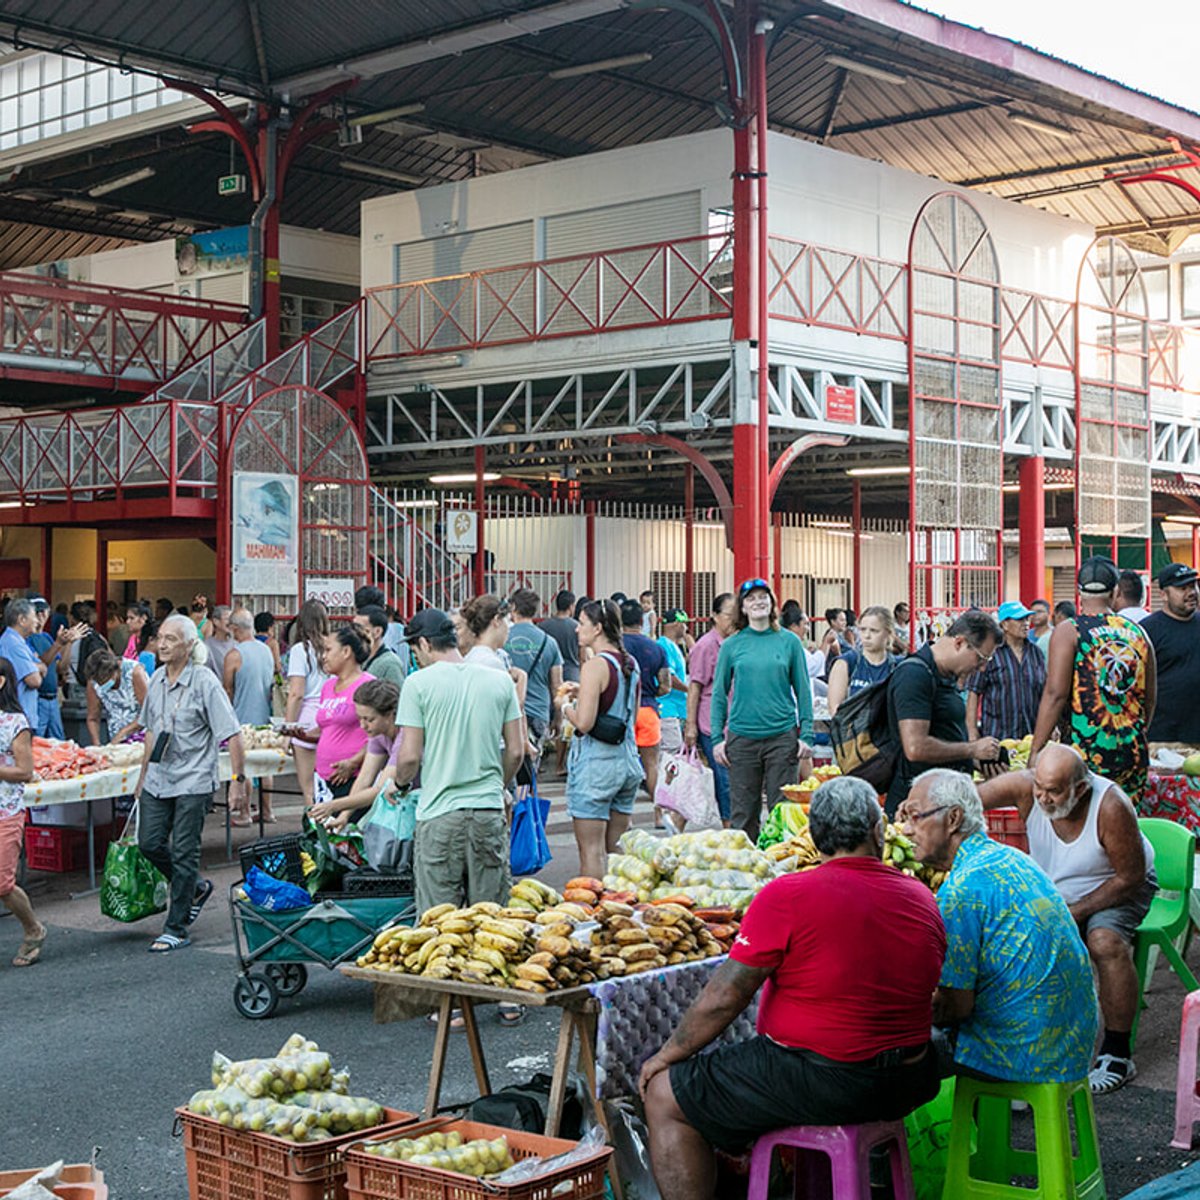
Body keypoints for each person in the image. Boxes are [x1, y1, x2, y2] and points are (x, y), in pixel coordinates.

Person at [638, 777, 944, 1200]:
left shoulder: (788, 895)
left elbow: (724, 997)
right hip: (911, 1076)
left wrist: (666, 1056)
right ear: (878, 832)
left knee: (665, 1097)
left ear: (816, 838)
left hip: (828, 1081)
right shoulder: (921, 896)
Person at [978, 744, 1157, 1093]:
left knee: (1104, 941)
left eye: (1054, 791)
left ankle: (1118, 1053)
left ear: (1080, 788)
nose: (1043, 798)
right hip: (1060, 889)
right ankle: (1028, 1049)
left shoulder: (1110, 805)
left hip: (1117, 885)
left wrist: (1076, 912)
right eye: (1039, 788)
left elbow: (1130, 877)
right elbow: (967, 798)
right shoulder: (1027, 787)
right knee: (1014, 940)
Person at [898, 769, 1096, 1085]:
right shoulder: (1011, 858)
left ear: (953, 819)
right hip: (1073, 1041)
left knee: (894, 1053)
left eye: (916, 817)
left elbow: (956, 1006)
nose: (906, 830)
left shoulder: (962, 889)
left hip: (1027, 1051)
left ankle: (950, 1131)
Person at [394, 608, 523, 916]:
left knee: (441, 926)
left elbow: (410, 756)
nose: (416, 657)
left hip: (439, 815)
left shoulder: (417, 684)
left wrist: (399, 783)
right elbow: (517, 751)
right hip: (488, 814)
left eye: (414, 650)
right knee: (491, 921)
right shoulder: (500, 682)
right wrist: (496, 783)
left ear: (424, 644)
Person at [135, 615, 246, 953]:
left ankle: (176, 926)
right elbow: (151, 731)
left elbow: (233, 734)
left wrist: (238, 781)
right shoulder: (155, 679)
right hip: (159, 777)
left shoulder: (205, 682)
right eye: (160, 638)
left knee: (185, 851)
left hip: (194, 780)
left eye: (171, 639)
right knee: (149, 843)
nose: (163, 644)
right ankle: (195, 887)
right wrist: (141, 777)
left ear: (188, 645)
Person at [1031, 556, 1156, 803]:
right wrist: (1132, 734)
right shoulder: (1138, 632)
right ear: (1116, 591)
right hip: (1132, 752)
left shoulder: (1070, 630)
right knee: (1126, 825)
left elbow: (1056, 694)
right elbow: (1149, 699)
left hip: (1085, 754)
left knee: (1085, 829)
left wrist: (1036, 749)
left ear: (1079, 592)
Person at [711, 580, 814, 842]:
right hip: (742, 739)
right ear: (743, 608)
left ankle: (781, 872)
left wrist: (807, 733)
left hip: (782, 737)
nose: (757, 602)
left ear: (772, 603)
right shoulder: (731, 646)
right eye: (750, 598)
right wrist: (716, 738)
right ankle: (745, 874)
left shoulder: (789, 642)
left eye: (763, 597)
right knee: (743, 813)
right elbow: (718, 694)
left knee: (782, 811)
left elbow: (803, 690)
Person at [885, 609, 1003, 817]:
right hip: (920, 809)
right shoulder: (915, 675)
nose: (982, 668)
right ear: (959, 643)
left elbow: (945, 735)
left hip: (944, 804)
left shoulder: (944, 676)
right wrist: (971, 750)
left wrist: (976, 760)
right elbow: (915, 747)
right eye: (981, 658)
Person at [562, 600, 644, 880]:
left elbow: (584, 723)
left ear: (597, 628)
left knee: (592, 851)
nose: (577, 630)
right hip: (627, 762)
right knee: (616, 851)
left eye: (582, 623)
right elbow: (629, 716)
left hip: (596, 766)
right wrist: (582, 692)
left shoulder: (594, 665)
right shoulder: (629, 663)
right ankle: (621, 907)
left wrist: (564, 706)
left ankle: (595, 913)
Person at [292, 627, 375, 805]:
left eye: (328, 650)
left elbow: (379, 735)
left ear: (346, 652)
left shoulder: (367, 686)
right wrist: (303, 735)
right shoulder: (328, 686)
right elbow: (326, 729)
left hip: (354, 779)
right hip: (324, 780)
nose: (323, 656)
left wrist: (354, 762)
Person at [308, 678, 403, 828]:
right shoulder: (378, 734)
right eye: (359, 718)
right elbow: (365, 778)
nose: (363, 725)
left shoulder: (404, 737)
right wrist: (344, 815)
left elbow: (380, 789)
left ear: (391, 714)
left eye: (369, 719)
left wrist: (333, 806)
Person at [0, 656, 42, 967]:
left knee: (2, 884)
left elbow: (25, 770)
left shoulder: (15, 723)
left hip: (6, 810)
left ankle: (33, 929)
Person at [965, 601, 1046, 751]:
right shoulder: (991, 653)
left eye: (1027, 619)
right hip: (998, 738)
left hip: (1031, 739)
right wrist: (972, 732)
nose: (1026, 624)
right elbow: (974, 691)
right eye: (1020, 620)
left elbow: (1044, 692)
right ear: (1005, 625)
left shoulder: (1036, 653)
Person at [685, 594, 736, 825]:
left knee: (732, 779)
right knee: (724, 780)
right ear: (715, 616)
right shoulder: (705, 646)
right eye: (729, 614)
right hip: (710, 724)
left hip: (735, 723)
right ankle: (729, 827)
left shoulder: (737, 643)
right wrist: (691, 725)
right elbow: (694, 687)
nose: (734, 619)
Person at [223, 609, 277, 824]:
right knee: (266, 767)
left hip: (241, 717)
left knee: (244, 767)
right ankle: (267, 811)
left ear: (235, 629)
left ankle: (244, 813)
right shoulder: (266, 650)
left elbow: (227, 689)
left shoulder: (234, 655)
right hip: (264, 715)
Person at [620, 599, 670, 816]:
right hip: (649, 710)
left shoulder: (616, 646)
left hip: (623, 711)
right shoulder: (657, 648)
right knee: (652, 765)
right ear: (642, 620)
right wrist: (651, 692)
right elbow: (666, 685)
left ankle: (623, 816)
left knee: (622, 765)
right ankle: (659, 815)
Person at [1142, 563, 1200, 743]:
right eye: (1182, 588)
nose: (1191, 592)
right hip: (1163, 739)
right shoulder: (1147, 631)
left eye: (1193, 586)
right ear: (1163, 595)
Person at [505, 588, 563, 748]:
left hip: (508, 710)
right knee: (531, 765)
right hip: (539, 710)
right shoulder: (549, 642)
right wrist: (558, 718)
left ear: (513, 608)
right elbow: (557, 686)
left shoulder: (501, 638)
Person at [284, 599, 330, 804]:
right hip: (331, 715)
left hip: (306, 718)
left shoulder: (299, 651)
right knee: (328, 783)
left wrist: (288, 727)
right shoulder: (332, 648)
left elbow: (296, 693)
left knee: (308, 787)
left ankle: (314, 829)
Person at [825, 605, 898, 716]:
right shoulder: (846, 662)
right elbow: (835, 710)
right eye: (863, 630)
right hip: (855, 730)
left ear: (888, 633)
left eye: (874, 631)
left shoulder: (898, 666)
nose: (867, 636)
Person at [27, 597, 83, 739]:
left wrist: (68, 643)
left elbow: (61, 668)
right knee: (37, 740)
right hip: (38, 698)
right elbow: (40, 664)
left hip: (53, 698)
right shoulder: (27, 639)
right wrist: (58, 644)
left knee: (58, 741)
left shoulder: (46, 637)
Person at [83, 647, 149, 745]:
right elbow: (93, 718)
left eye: (106, 680)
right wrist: (97, 744)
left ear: (116, 670)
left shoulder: (135, 673)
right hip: (116, 739)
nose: (102, 685)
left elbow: (148, 713)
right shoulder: (93, 682)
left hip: (143, 737)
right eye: (99, 682)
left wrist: (123, 733)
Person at [0, 599, 44, 734]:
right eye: (34, 616)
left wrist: (37, 665)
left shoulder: (19, 642)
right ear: (22, 619)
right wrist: (39, 667)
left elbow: (41, 667)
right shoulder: (14, 645)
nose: (38, 621)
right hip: (18, 719)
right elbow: (34, 680)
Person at [656, 609, 690, 758]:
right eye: (685, 624)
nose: (686, 628)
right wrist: (690, 690)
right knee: (670, 752)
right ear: (677, 624)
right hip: (667, 709)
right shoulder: (664, 646)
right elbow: (669, 677)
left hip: (676, 709)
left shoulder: (674, 646)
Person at [353, 605, 407, 694]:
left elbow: (397, 700)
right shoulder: (360, 657)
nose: (353, 632)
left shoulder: (390, 663)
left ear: (377, 632)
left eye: (359, 628)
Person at [540, 590, 580, 684]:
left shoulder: (543, 626)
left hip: (549, 675)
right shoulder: (577, 627)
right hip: (572, 674)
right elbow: (582, 656)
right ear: (571, 606)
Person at [204, 605, 234, 682]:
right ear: (216, 621)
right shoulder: (207, 646)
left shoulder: (237, 643)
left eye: (232, 619)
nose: (231, 623)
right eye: (227, 619)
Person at [253, 611, 283, 677]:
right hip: (268, 678)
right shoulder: (272, 643)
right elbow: (277, 667)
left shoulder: (251, 641)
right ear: (269, 627)